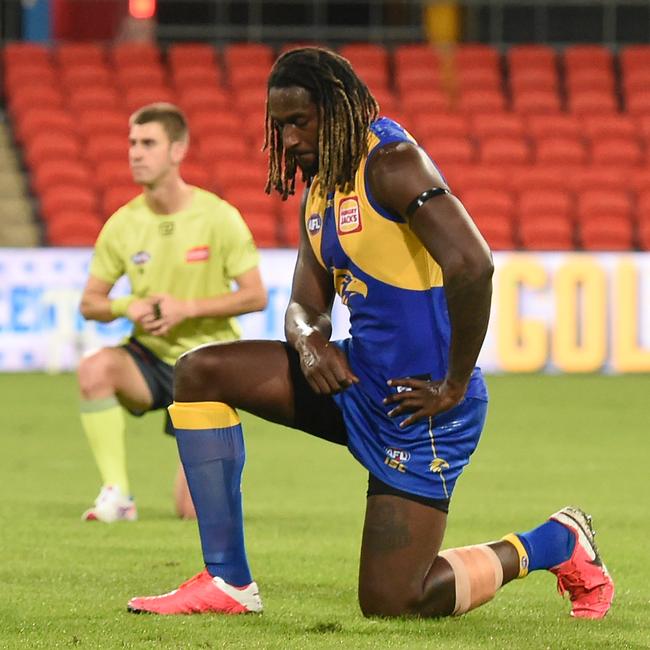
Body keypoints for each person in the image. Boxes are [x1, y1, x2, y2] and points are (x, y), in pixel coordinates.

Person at [127, 49, 614, 618]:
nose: (285, 139)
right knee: (200, 371)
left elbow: (473, 264)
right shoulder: (321, 190)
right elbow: (303, 305)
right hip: (359, 382)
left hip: (421, 409)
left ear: (337, 110)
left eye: (298, 122)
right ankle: (227, 581)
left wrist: (454, 382)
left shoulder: (393, 162)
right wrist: (310, 345)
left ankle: (555, 542)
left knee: (395, 602)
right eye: (278, 125)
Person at [78, 102, 267, 523]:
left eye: (148, 143)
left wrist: (189, 309)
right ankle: (117, 495)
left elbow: (256, 296)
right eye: (132, 143)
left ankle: (220, 461)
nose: (135, 153)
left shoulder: (218, 217)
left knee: (191, 513)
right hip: (150, 356)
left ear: (177, 150)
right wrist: (130, 305)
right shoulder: (123, 224)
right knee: (95, 370)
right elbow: (89, 303)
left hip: (208, 367)